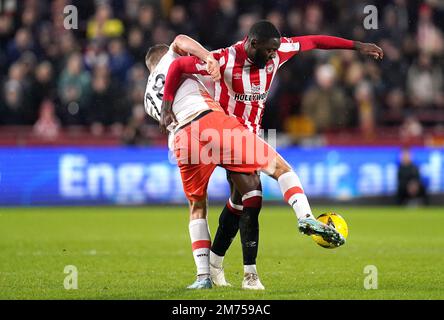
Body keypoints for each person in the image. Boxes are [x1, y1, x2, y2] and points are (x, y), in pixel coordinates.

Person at [169, 21, 383, 289]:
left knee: (237, 204)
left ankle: (214, 264)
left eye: (275, 51)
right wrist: (167, 105)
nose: (273, 56)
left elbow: (315, 41)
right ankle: (251, 274)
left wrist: (357, 46)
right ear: (252, 44)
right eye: (268, 51)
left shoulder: (279, 51)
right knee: (253, 195)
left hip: (251, 138)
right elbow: (178, 66)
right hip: (226, 136)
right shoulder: (225, 59)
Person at [144, 42, 344, 289]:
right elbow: (181, 41)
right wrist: (208, 57)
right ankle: (305, 216)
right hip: (209, 120)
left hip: (181, 140)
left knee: (197, 207)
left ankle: (203, 276)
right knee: (280, 169)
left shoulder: (147, 98)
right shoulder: (173, 57)